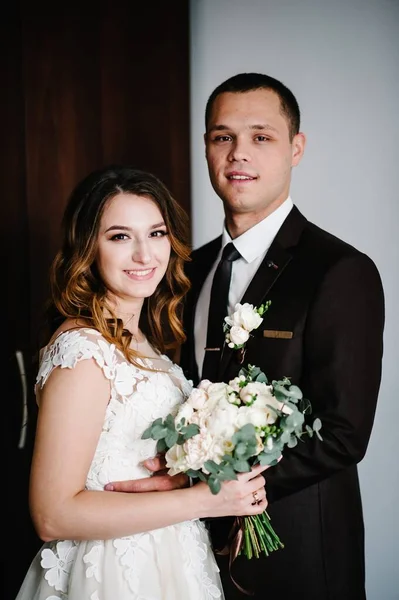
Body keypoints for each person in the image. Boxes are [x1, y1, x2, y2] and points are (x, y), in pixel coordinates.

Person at [106, 75, 385, 600]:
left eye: (261, 136)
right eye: (222, 137)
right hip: (190, 546)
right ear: (207, 148)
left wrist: (211, 486)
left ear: (295, 148)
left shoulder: (340, 270)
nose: (239, 154)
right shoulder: (187, 268)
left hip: (299, 548)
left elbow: (344, 433)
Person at [15, 164, 270, 600]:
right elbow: (53, 515)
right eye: (119, 236)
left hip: (170, 559)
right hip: (112, 572)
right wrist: (209, 500)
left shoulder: (143, 341)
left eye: (156, 233)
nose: (145, 255)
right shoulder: (84, 351)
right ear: (87, 248)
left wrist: (199, 472)